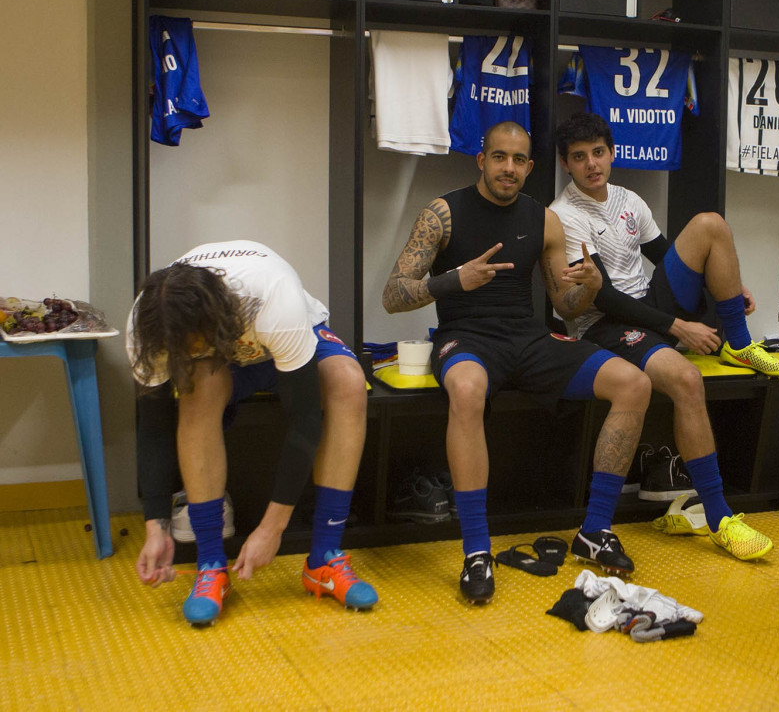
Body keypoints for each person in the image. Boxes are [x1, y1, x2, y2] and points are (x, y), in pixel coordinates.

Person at [382, 121, 652, 605]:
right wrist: (453, 281)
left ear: (530, 167)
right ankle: (476, 551)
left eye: (519, 160)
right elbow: (393, 295)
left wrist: (589, 287)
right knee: (466, 390)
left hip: (528, 339)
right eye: (500, 157)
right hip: (466, 337)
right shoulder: (443, 213)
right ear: (481, 160)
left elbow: (565, 305)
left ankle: (594, 530)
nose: (509, 168)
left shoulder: (544, 219)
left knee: (633, 383)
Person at [550, 111, 776, 561]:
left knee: (710, 224)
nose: (592, 164)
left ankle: (740, 343)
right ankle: (720, 518)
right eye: (579, 157)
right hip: (608, 325)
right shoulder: (563, 216)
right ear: (566, 164)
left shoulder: (630, 199)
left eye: (599, 152)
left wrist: (724, 286)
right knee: (688, 380)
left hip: (649, 307)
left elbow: (665, 255)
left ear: (612, 153)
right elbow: (605, 297)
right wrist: (677, 327)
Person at [128, 241, 378, 626]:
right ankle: (211, 564)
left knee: (347, 382)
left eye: (195, 347)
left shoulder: (274, 298)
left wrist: (271, 528)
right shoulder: (149, 325)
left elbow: (305, 419)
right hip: (223, 356)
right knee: (198, 390)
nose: (189, 354)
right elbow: (154, 423)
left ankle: (324, 559)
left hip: (277, 334)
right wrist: (155, 525)